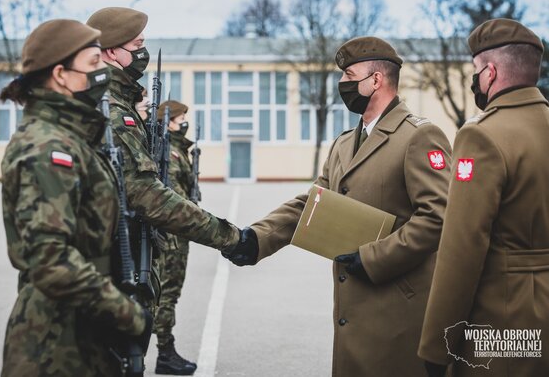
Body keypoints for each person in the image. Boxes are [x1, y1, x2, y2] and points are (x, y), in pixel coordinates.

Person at [225, 37, 452, 376]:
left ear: (376, 80)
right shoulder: (345, 142)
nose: (342, 84)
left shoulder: (418, 136)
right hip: (355, 306)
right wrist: (257, 238)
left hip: (397, 308)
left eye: (349, 74)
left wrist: (373, 258)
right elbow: (313, 204)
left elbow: (438, 216)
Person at [0, 19, 150, 375]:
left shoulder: (71, 137)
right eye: (93, 63)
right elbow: (51, 259)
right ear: (61, 75)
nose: (102, 73)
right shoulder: (48, 147)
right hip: (54, 345)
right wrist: (129, 314)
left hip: (82, 329)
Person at [85, 6, 241, 316]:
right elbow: (146, 194)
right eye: (137, 46)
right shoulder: (110, 109)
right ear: (112, 52)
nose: (143, 53)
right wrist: (230, 237)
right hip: (106, 271)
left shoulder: (111, 102)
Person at [418, 19, 549, 377]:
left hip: (503, 322)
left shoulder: (482, 137)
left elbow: (462, 249)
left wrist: (436, 346)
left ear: (490, 73)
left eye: (476, 71)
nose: (475, 79)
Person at [153, 100, 198, 375]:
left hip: (177, 234)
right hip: (171, 236)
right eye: (180, 118)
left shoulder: (178, 149)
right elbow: (172, 196)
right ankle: (164, 353)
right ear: (168, 121)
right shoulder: (168, 151)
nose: (184, 122)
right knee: (166, 295)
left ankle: (165, 350)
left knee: (169, 295)